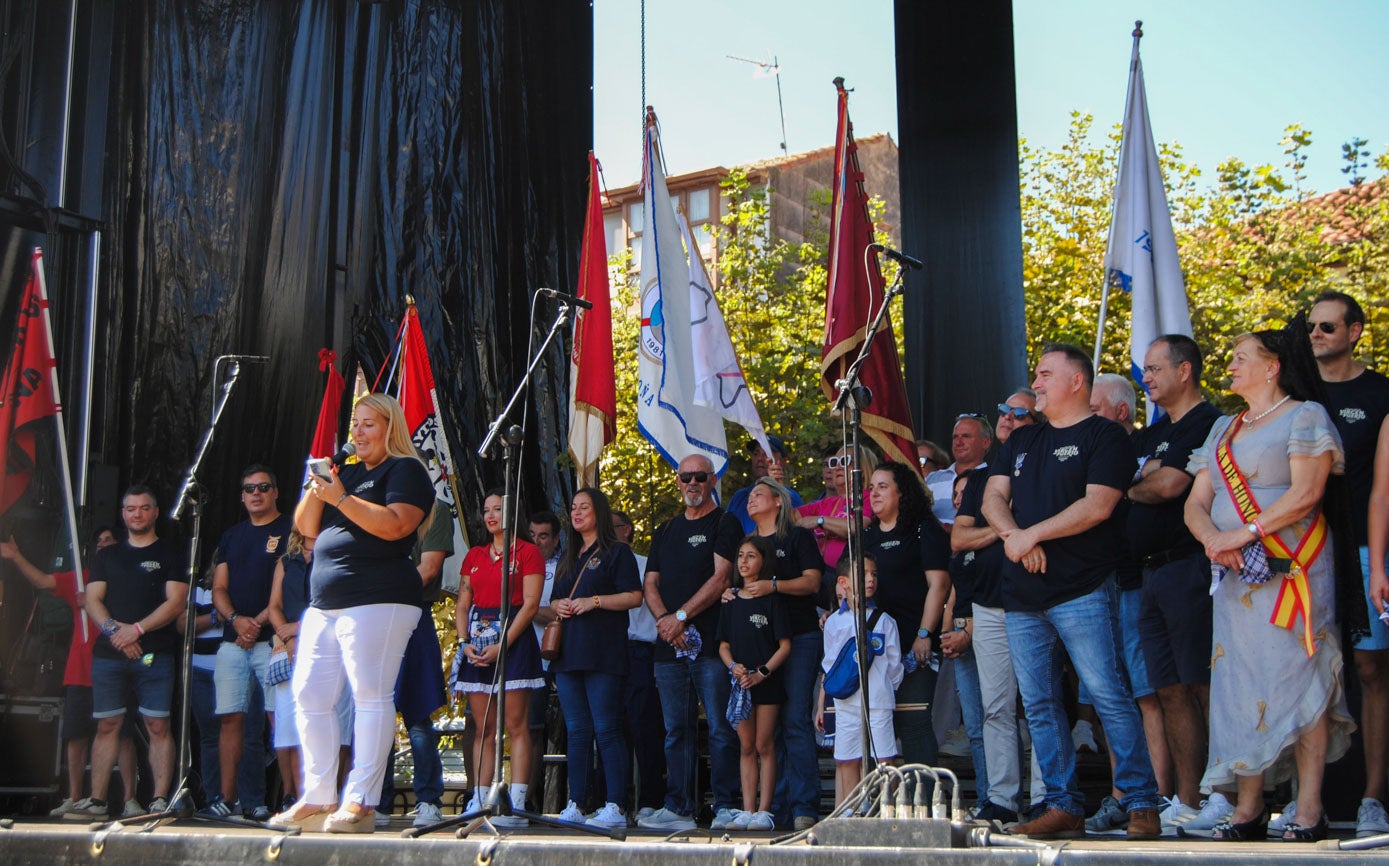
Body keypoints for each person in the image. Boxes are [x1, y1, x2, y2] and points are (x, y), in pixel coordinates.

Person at [981, 344, 1160, 840]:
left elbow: (1098, 506)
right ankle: (1062, 804)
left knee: (1106, 693)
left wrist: (1030, 535)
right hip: (1021, 594)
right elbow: (993, 497)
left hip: (1082, 588)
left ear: (1076, 381)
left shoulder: (1106, 436)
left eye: (1044, 374)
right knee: (1038, 702)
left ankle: (1142, 800)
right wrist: (1015, 538)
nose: (1034, 383)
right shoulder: (1021, 441)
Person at [1184, 324, 1355, 842]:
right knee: (1240, 686)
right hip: (1235, 576)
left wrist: (1244, 532)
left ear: (1273, 366)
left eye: (1240, 357)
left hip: (1293, 568)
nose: (1230, 365)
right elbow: (1196, 500)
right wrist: (1215, 538)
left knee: (1302, 681)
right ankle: (1249, 807)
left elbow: (1307, 493)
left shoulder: (1305, 416)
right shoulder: (1224, 429)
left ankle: (1308, 809)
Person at [272, 393, 434, 834]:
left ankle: (362, 799)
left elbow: (398, 524)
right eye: (355, 425)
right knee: (307, 694)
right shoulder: (345, 474)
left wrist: (341, 498)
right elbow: (305, 528)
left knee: (370, 695)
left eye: (368, 425)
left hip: (379, 597)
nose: (357, 434)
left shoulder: (405, 470)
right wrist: (318, 486)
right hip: (325, 605)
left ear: (389, 428)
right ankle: (320, 794)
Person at [1127, 335, 1228, 838]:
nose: (1146, 376)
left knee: (1201, 684)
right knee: (1167, 688)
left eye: (1154, 367)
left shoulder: (1210, 422)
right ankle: (1187, 800)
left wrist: (1140, 483)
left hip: (1191, 567)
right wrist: (1144, 477)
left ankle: (1221, 794)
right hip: (1148, 574)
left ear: (1185, 370)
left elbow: (1169, 486)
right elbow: (1147, 478)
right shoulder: (1151, 433)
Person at [1308, 290, 1389, 838]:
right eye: (1311, 326)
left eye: (1327, 327)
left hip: (1364, 549)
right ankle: (1306, 800)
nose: (1316, 335)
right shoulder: (1296, 392)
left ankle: (1374, 795)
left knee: (1369, 670)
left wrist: (1380, 562)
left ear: (1355, 331)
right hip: (1304, 553)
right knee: (1311, 675)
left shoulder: (1381, 392)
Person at [1079, 375, 1172, 834]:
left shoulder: (1149, 440)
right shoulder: (1090, 448)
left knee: (1145, 693)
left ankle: (1156, 795)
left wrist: (1122, 484)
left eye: (1094, 407)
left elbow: (1166, 483)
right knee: (1108, 694)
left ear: (1120, 411)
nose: (1087, 414)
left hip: (1140, 580)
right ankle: (1123, 793)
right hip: (1095, 582)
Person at [1, 529, 142, 818]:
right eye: (99, 540)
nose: (103, 545)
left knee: (124, 736)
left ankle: (130, 799)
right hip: (81, 670)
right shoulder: (82, 577)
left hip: (117, 668)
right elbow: (42, 581)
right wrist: (16, 556)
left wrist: (91, 602)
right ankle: (75, 797)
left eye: (109, 541)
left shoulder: (128, 575)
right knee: (76, 735)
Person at [638, 454, 743, 832]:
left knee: (719, 726)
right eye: (686, 477)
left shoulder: (725, 522)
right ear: (678, 480)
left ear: (712, 480)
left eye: (700, 476)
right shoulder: (665, 529)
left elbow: (721, 578)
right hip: (668, 648)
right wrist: (668, 623)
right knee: (676, 729)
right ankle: (679, 807)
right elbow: (649, 584)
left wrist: (680, 617)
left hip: (712, 646)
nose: (692, 483)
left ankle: (727, 806)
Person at [722, 478, 823, 830]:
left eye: (759, 494)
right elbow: (738, 584)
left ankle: (803, 807)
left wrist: (774, 586)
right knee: (764, 734)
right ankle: (769, 809)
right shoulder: (746, 545)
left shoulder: (796, 537)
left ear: (778, 502)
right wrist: (731, 595)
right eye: (748, 495)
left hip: (799, 636)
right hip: (756, 648)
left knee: (794, 719)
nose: (750, 499)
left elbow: (813, 581)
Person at [84, 485, 187, 818]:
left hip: (154, 652)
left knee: (157, 726)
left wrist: (138, 630)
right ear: (123, 514)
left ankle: (158, 799)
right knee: (107, 724)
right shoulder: (107, 556)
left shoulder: (171, 552)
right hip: (110, 652)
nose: (137, 514)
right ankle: (97, 801)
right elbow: (92, 599)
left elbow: (176, 602)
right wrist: (117, 632)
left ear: (155, 512)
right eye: (131, 509)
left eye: (144, 508)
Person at [450, 489, 545, 828]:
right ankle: (478, 797)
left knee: (516, 725)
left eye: (498, 509)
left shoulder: (529, 552)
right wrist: (464, 642)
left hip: (513, 637)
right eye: (487, 509)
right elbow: (463, 603)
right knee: (482, 726)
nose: (491, 515)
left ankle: (516, 801)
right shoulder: (474, 555)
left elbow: (531, 604)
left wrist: (503, 643)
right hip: (477, 638)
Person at [549, 488, 642, 828]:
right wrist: (558, 606)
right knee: (577, 730)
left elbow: (634, 596)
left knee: (607, 728)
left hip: (603, 652)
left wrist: (595, 601)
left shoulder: (618, 552)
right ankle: (576, 802)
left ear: (599, 513)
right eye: (573, 507)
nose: (576, 512)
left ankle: (615, 805)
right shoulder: (567, 556)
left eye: (584, 507)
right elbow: (556, 600)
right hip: (569, 652)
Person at [203, 465, 291, 820]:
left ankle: (292, 797)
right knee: (230, 718)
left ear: (275, 492)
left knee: (279, 718)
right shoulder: (232, 535)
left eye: (263, 487)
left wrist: (259, 621)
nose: (256, 493)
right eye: (249, 488)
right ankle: (227, 798)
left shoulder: (290, 529)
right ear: (241, 496)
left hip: (275, 640)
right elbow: (219, 588)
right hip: (233, 641)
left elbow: (293, 582)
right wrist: (236, 620)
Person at [864, 461, 951, 768]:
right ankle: (880, 801)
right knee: (879, 723)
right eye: (871, 487)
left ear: (903, 492)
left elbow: (939, 584)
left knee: (913, 720)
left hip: (915, 644)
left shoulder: (923, 529)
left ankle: (924, 801)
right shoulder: (868, 536)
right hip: (875, 649)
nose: (874, 493)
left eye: (883, 486)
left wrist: (925, 634)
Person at [266, 529, 355, 812]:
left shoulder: (340, 553)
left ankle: (332, 796)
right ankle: (292, 795)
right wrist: (290, 637)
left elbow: (347, 601)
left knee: (337, 725)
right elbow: (274, 607)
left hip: (331, 642)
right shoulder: (286, 560)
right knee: (288, 727)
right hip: (289, 647)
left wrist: (303, 630)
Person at [379, 499, 454, 828]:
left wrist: (379, 587)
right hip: (372, 617)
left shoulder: (435, 509)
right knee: (373, 712)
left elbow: (429, 569)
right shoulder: (372, 504)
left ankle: (428, 799)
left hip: (412, 613)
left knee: (418, 715)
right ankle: (374, 800)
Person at [718, 535, 791, 830]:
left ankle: (765, 810)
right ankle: (747, 810)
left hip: (766, 683)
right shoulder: (731, 601)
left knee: (764, 744)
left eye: (751, 556)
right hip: (740, 684)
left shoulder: (773, 600)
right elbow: (722, 645)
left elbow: (785, 645)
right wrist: (734, 667)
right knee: (746, 745)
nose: (744, 562)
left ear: (764, 561)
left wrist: (763, 672)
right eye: (741, 556)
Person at [819, 552, 902, 804]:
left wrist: (884, 688)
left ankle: (885, 809)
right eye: (863, 574)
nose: (870, 580)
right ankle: (850, 810)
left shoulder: (885, 621)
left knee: (885, 758)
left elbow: (894, 668)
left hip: (878, 700)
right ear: (842, 582)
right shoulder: (833, 623)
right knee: (846, 757)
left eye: (874, 574)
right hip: (846, 702)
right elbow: (830, 665)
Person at [612, 508, 666, 822]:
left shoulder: (647, 566)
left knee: (646, 728)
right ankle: (612, 801)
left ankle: (650, 800)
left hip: (641, 651)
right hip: (607, 652)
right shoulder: (597, 566)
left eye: (614, 527)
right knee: (610, 729)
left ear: (628, 530)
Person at [796, 445, 878, 575]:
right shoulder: (828, 502)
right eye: (834, 463)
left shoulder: (868, 496)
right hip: (820, 575)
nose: (838, 467)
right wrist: (777, 484)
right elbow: (789, 515)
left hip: (848, 576)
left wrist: (820, 520)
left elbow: (859, 525)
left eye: (845, 461)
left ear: (862, 468)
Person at [925, 416, 992, 527]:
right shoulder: (932, 479)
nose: (958, 442)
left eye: (966, 436)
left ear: (985, 442)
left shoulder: (992, 479)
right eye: (955, 437)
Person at [727, 437, 803, 533]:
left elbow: (795, 530)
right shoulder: (739, 497)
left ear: (783, 461)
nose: (759, 458)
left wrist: (777, 488)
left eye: (767, 454)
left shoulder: (790, 497)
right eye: (756, 453)